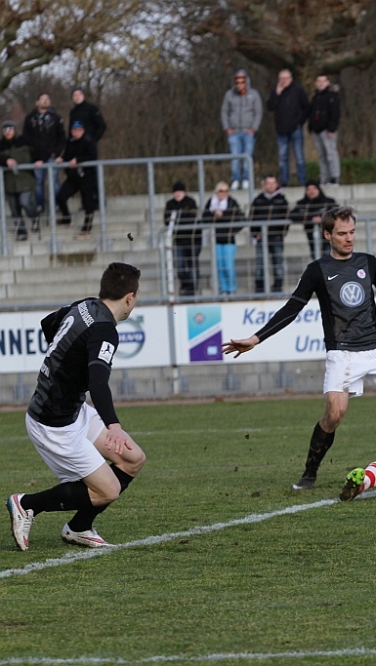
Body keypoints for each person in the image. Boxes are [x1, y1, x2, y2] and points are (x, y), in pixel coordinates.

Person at [222, 205, 376, 490]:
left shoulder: (368, 262)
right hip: (342, 353)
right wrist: (256, 338)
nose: (349, 238)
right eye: (342, 234)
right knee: (334, 414)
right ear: (327, 235)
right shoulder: (317, 270)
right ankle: (309, 473)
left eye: (352, 232)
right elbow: (292, 308)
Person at [6, 262, 147, 550]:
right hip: (53, 423)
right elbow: (98, 383)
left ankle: (79, 528)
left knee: (133, 459)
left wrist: (65, 362)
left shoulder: (85, 305)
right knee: (108, 490)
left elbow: (48, 323)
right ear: (130, 297)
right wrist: (114, 426)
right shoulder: (105, 330)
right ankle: (27, 503)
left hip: (72, 410)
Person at [55, 120, 99, 240]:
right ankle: (67, 219)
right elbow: (67, 155)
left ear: (83, 130)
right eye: (74, 130)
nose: (76, 132)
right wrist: (62, 159)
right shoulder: (71, 141)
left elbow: (92, 156)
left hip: (86, 177)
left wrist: (78, 160)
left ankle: (86, 229)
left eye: (78, 130)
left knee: (88, 203)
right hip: (73, 177)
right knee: (61, 197)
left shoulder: (89, 141)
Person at [266, 69, 310, 187]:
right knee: (282, 157)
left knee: (299, 156)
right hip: (281, 130)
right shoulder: (276, 91)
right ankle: (284, 181)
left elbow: (306, 108)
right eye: (281, 79)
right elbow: (270, 107)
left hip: (295, 128)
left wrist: (299, 122)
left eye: (286, 78)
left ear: (291, 79)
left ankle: (302, 180)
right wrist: (277, 94)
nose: (284, 81)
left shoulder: (298, 90)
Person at [22, 92, 65, 212]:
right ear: (37, 102)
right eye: (42, 99)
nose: (45, 101)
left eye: (47, 99)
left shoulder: (56, 118)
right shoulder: (30, 118)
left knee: (54, 181)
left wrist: (56, 152)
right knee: (38, 182)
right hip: (37, 157)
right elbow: (26, 138)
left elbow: (62, 138)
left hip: (52, 155)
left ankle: (57, 204)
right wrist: (33, 154)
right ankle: (40, 204)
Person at [221, 69, 262, 190]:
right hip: (233, 132)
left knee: (247, 156)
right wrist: (227, 128)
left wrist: (253, 128)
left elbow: (258, 112)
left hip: (248, 132)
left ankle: (246, 179)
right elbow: (224, 112)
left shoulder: (254, 94)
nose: (239, 84)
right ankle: (235, 179)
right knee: (235, 157)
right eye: (237, 82)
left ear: (246, 81)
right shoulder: (229, 95)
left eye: (242, 82)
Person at [248, 175, 290, 293]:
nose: (271, 186)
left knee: (278, 263)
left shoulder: (282, 200)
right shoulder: (258, 200)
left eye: (273, 183)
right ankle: (260, 288)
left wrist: (281, 234)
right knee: (260, 264)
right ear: (264, 185)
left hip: (276, 237)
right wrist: (255, 234)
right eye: (268, 183)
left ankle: (278, 287)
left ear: (276, 185)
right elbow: (251, 218)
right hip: (262, 237)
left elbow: (286, 219)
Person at [202, 181, 244, 295]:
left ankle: (232, 289)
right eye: (221, 191)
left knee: (228, 266)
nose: (223, 193)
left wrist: (224, 217)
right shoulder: (211, 203)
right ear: (216, 192)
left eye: (226, 191)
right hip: (215, 240)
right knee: (220, 266)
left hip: (229, 239)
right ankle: (223, 289)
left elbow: (239, 218)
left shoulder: (232, 202)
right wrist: (214, 215)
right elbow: (204, 217)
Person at [0, 120, 39, 241]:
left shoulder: (24, 141)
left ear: (15, 130)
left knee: (25, 202)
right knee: (14, 209)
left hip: (25, 180)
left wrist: (39, 160)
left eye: (10, 129)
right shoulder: (1, 145)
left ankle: (35, 218)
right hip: (9, 182)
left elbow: (37, 151)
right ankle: (21, 232)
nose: (8, 132)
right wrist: (6, 160)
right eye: (5, 130)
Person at [164, 181, 201, 296]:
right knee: (179, 265)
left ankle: (192, 288)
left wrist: (178, 219)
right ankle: (185, 284)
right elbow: (167, 221)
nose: (178, 193)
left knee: (192, 264)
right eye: (176, 191)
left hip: (192, 240)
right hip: (178, 241)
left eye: (180, 191)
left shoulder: (191, 202)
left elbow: (192, 218)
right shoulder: (170, 204)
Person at [290, 179, 338, 260]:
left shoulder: (329, 201)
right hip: (311, 238)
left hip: (328, 239)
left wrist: (322, 218)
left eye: (314, 189)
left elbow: (337, 213)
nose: (311, 191)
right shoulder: (302, 204)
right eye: (309, 189)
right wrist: (311, 219)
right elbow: (293, 215)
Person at [308, 74, 341, 185]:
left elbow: (335, 114)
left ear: (328, 82)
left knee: (330, 154)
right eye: (319, 81)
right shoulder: (315, 98)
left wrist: (332, 129)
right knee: (321, 156)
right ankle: (324, 177)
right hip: (316, 131)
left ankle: (334, 177)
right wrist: (311, 127)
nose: (321, 83)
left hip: (327, 130)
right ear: (315, 83)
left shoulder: (332, 96)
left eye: (323, 81)